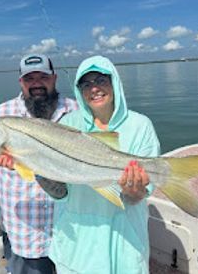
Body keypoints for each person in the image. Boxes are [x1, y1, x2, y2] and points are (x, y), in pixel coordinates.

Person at [48, 55, 160, 274]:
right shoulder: (68, 124)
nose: (94, 88)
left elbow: (139, 195)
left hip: (126, 240)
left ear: (114, 82)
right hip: (77, 242)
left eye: (101, 80)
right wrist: (36, 169)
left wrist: (134, 192)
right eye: (86, 83)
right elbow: (60, 192)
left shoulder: (140, 125)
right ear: (79, 89)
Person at [0, 53, 77, 274]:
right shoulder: (0, 116)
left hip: (73, 228)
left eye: (42, 77)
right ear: (21, 82)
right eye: (29, 79)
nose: (36, 84)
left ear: (54, 78)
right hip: (24, 233)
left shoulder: (76, 111)